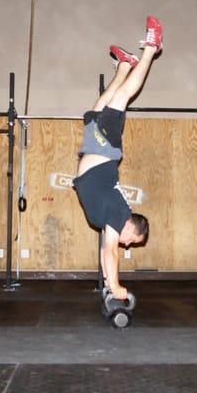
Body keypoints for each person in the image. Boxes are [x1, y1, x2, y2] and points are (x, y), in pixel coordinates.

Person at [73, 16, 163, 300]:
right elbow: (111, 251)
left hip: (95, 152)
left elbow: (104, 254)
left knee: (96, 112)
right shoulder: (118, 215)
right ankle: (152, 46)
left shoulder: (110, 220)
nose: (127, 246)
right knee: (121, 99)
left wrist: (109, 284)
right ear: (131, 229)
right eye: (132, 242)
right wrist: (117, 287)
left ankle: (124, 65)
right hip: (104, 152)